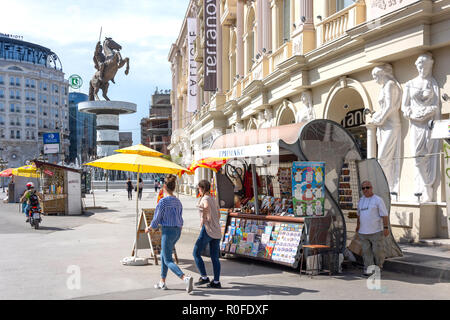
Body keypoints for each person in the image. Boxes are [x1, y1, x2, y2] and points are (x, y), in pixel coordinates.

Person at [401, 52, 441, 202]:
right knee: (417, 155)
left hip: (429, 124)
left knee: (429, 154)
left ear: (430, 66)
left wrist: (429, 112)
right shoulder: (410, 84)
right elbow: (404, 107)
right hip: (416, 124)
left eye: (425, 66)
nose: (422, 69)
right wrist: (412, 114)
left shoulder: (433, 83)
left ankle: (427, 188)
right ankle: (426, 186)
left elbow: (436, 105)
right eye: (420, 66)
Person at [145, 174, 193, 293]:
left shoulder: (163, 202)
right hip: (177, 231)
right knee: (163, 255)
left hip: (168, 231)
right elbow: (180, 218)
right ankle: (162, 281)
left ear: (164, 187)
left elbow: (157, 218)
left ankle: (185, 278)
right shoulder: (177, 201)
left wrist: (150, 228)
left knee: (167, 259)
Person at [370, 64, 402, 196]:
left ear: (383, 74)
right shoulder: (384, 86)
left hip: (391, 125)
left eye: (376, 76)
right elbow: (384, 108)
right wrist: (377, 116)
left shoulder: (390, 84)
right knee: (383, 158)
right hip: (383, 126)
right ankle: (385, 187)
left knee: (383, 158)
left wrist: (381, 118)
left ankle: (387, 187)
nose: (375, 79)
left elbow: (390, 106)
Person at [192, 180, 222, 289]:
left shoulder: (205, 198)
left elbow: (206, 206)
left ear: (202, 188)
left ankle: (204, 277)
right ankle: (216, 281)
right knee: (215, 258)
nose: (198, 190)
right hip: (217, 231)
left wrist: (203, 219)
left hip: (208, 230)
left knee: (196, 253)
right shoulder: (214, 199)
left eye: (199, 188)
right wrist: (212, 219)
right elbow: (218, 215)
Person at [356, 181, 389, 276]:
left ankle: (379, 267)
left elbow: (385, 215)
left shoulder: (378, 200)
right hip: (363, 232)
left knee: (377, 251)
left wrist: (386, 228)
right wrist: (357, 226)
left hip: (376, 231)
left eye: (367, 187)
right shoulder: (361, 200)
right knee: (366, 252)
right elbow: (358, 215)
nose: (365, 190)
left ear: (371, 188)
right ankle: (369, 269)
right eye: (363, 188)